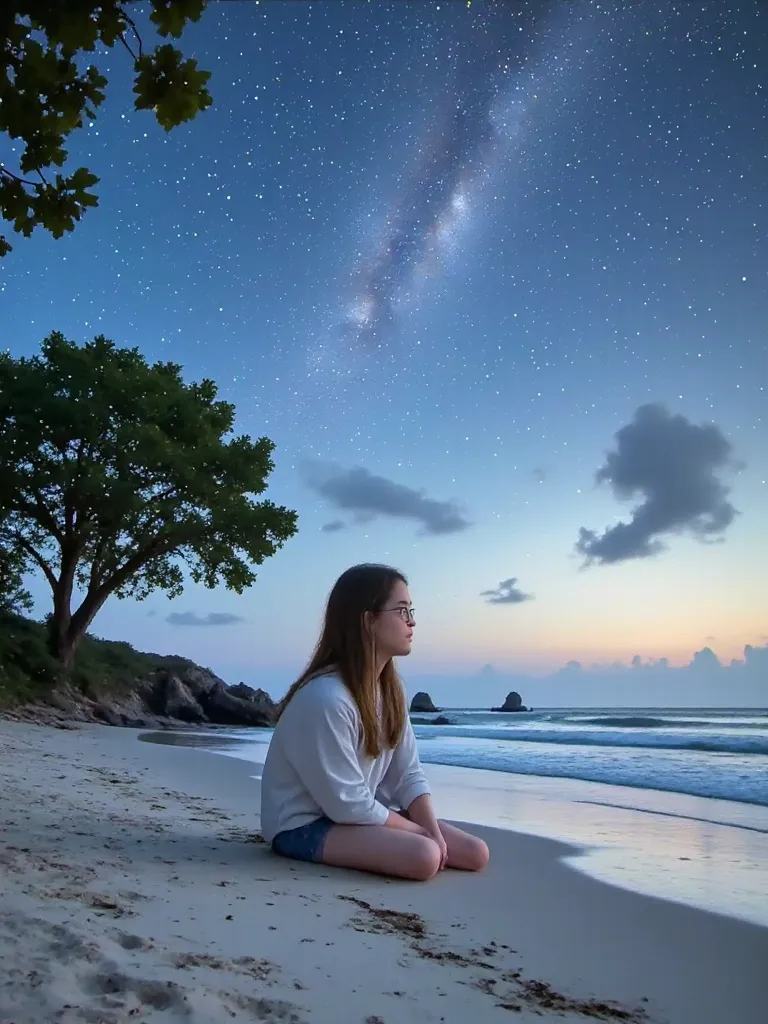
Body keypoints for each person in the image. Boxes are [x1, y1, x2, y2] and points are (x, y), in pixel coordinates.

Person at [260, 564, 489, 881]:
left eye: (411, 610)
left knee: (475, 853)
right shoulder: (326, 698)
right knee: (424, 856)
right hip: (303, 825)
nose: (412, 621)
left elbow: (408, 775)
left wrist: (430, 828)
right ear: (368, 620)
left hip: (353, 817)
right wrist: (420, 834)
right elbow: (347, 803)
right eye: (401, 610)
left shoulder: (390, 693)